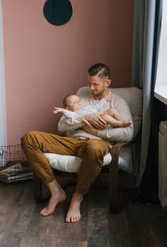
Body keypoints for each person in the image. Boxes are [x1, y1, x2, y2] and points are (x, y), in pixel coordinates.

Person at [21, 63, 134, 223]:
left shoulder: (117, 102)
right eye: (89, 83)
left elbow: (128, 133)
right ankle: (56, 191)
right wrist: (84, 118)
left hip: (95, 144)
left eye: (95, 84)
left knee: (94, 147)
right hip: (70, 142)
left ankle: (77, 197)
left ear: (107, 83)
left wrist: (95, 132)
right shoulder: (80, 98)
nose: (91, 87)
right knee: (29, 138)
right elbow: (61, 125)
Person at [53, 93, 132, 128]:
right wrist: (64, 111)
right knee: (105, 117)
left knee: (112, 110)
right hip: (96, 122)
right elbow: (69, 116)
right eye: (75, 103)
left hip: (99, 115)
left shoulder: (87, 107)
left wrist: (105, 99)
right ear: (68, 108)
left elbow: (96, 106)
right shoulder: (75, 114)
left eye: (79, 101)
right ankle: (119, 123)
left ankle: (121, 122)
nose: (79, 103)